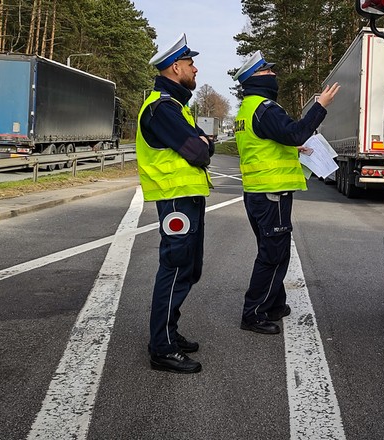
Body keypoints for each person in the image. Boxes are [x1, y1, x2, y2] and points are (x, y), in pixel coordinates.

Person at [232, 51, 340, 335]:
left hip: (258, 192)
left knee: (272, 250)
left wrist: (292, 149)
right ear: (255, 78)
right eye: (268, 71)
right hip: (271, 194)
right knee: (273, 255)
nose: (274, 74)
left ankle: (275, 304)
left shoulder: (247, 109)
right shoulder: (265, 108)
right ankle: (253, 313)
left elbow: (267, 141)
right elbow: (295, 132)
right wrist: (320, 106)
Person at [137, 33, 214, 373]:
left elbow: (205, 145)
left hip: (185, 198)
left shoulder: (176, 106)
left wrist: (204, 143)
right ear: (174, 67)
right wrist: (203, 143)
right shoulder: (163, 108)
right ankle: (162, 347)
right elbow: (200, 150)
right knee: (176, 266)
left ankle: (168, 330)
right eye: (190, 63)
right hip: (175, 200)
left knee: (189, 267)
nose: (195, 69)